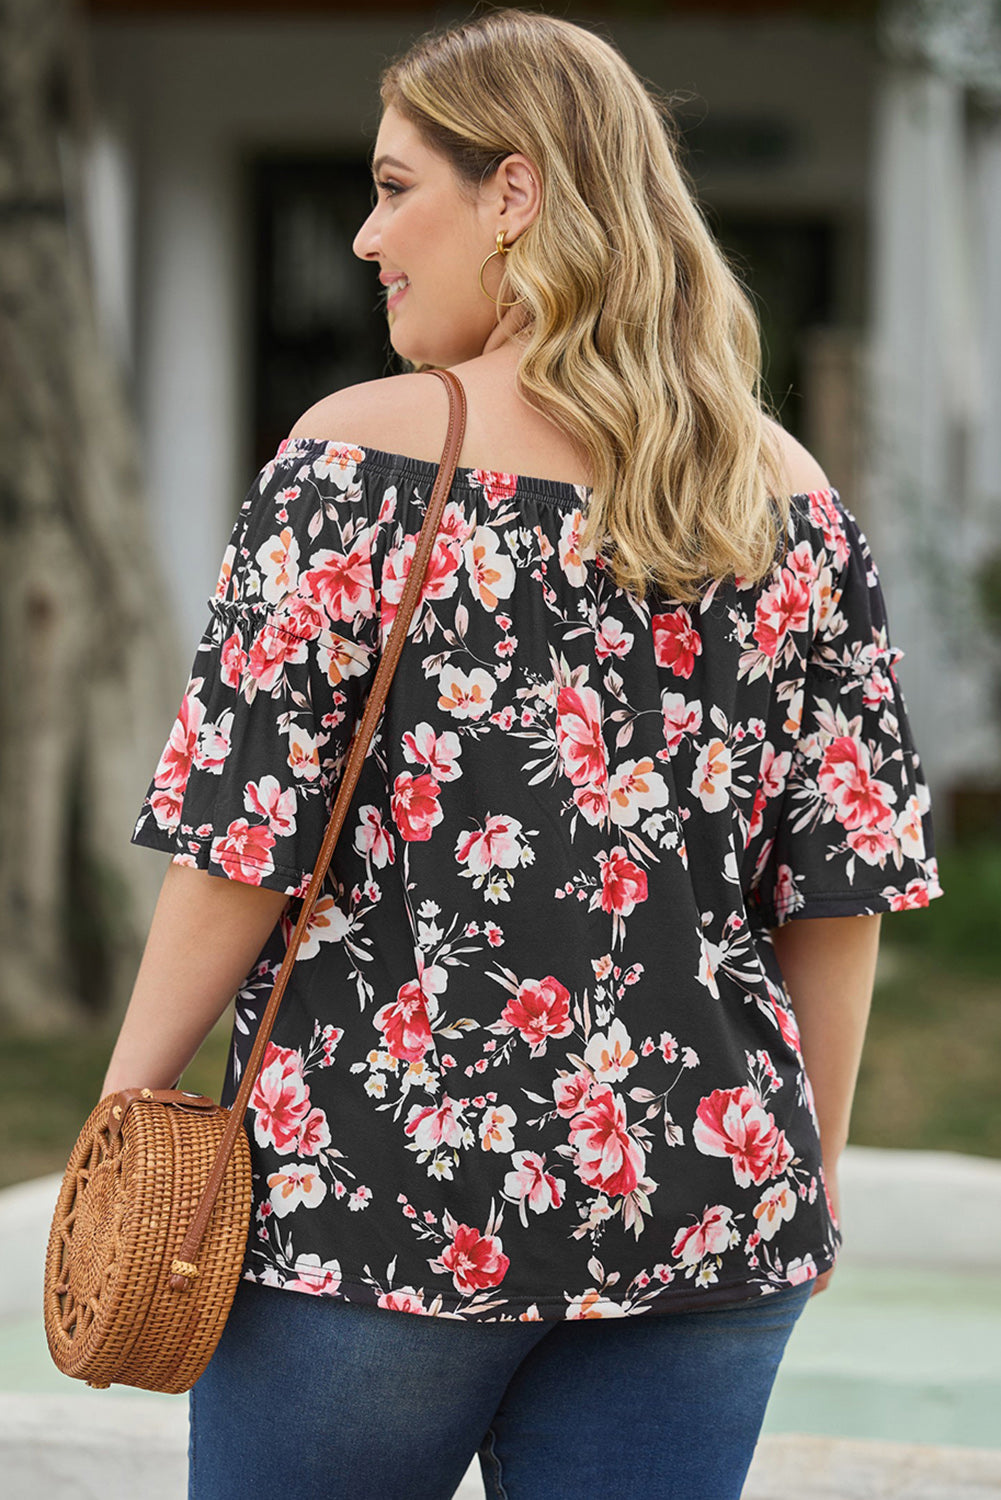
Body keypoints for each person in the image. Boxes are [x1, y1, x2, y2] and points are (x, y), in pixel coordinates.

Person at [100, 9, 944, 1499]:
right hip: (703, 1212)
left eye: (394, 187)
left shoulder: (356, 457)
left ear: (516, 194)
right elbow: (837, 888)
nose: (366, 237)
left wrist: (127, 1108)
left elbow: (243, 844)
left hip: (377, 1201)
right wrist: (802, 1177)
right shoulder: (784, 493)